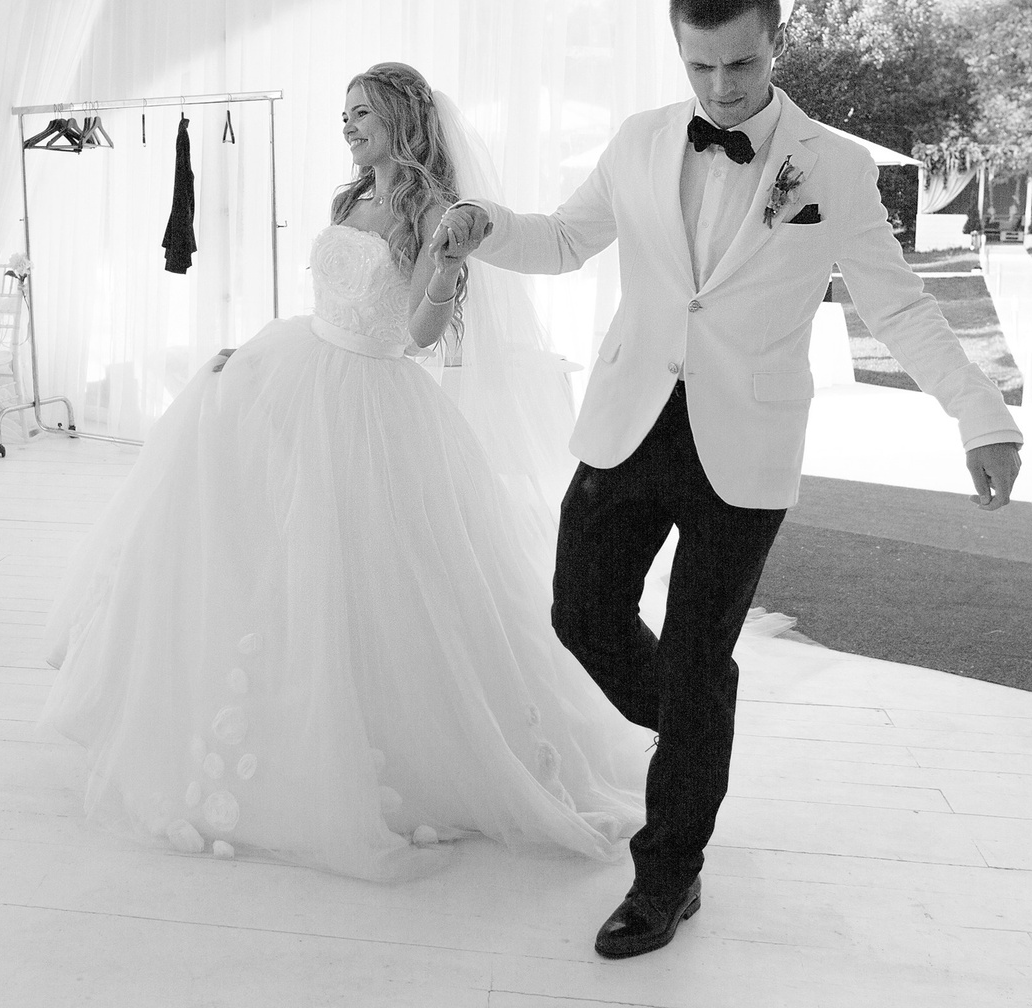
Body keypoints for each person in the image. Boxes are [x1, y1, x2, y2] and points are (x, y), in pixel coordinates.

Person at [437, 0, 1024, 958]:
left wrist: (982, 417)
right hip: (630, 420)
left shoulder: (834, 167)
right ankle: (699, 717)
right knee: (582, 614)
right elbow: (563, 241)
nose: (720, 87)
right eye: (700, 66)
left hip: (746, 445)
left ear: (776, 41)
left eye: (741, 64)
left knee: (698, 654)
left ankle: (667, 874)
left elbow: (898, 307)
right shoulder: (639, 139)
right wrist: (484, 224)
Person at [39, 62, 646, 882]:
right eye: (345, 115)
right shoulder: (349, 197)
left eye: (362, 113)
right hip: (301, 366)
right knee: (260, 538)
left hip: (371, 400)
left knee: (370, 574)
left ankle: (377, 738)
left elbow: (422, 334)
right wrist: (254, 356)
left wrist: (446, 268)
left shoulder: (433, 211)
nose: (349, 126)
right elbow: (330, 299)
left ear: (402, 118)